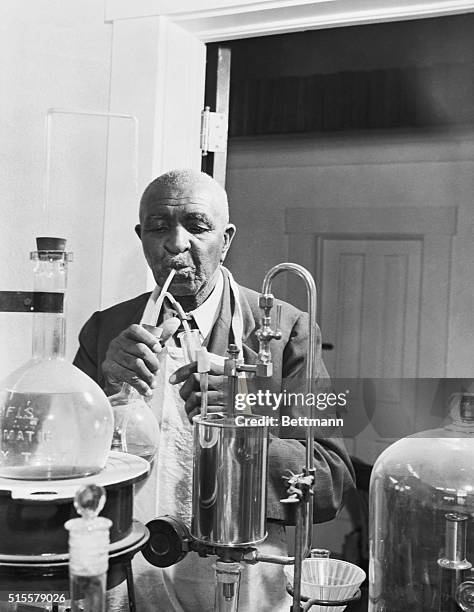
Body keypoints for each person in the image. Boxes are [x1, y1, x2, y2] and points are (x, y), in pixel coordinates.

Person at [74, 168, 355, 612]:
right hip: (129, 582)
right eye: (159, 227)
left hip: (244, 587)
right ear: (141, 236)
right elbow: (63, 470)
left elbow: (330, 483)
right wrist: (106, 394)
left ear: (226, 240)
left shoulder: (288, 331)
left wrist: (245, 423)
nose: (177, 243)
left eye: (198, 227)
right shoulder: (105, 331)